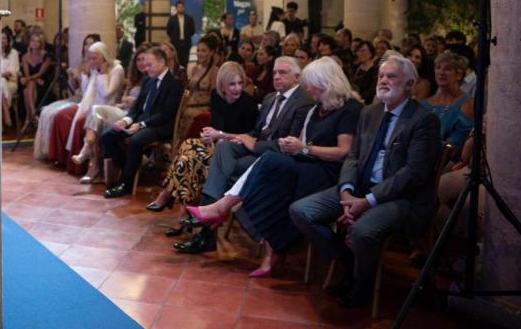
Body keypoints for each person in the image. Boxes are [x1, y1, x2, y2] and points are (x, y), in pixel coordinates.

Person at [289, 55, 441, 308]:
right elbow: (353, 156)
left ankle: (362, 284)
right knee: (301, 211)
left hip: (399, 199)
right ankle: (347, 261)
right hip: (358, 189)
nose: (383, 80)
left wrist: (367, 201)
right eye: (381, 76)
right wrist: (347, 191)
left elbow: (413, 174)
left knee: (362, 231)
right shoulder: (370, 113)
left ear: (409, 84)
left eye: (391, 76)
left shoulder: (424, 120)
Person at [186, 58, 361, 277]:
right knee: (262, 172)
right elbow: (298, 139)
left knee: (268, 164)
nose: (308, 89)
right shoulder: (318, 107)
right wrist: (293, 145)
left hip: (327, 172)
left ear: (328, 83)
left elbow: (343, 152)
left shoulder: (350, 108)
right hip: (304, 164)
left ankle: (221, 208)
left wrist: (303, 148)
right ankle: (268, 252)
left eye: (312, 85)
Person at [173, 56, 314, 254]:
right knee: (222, 148)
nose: (276, 76)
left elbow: (289, 143)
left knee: (219, 169)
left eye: (283, 73)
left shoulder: (303, 103)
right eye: (274, 72)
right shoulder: (269, 98)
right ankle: (209, 219)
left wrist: (254, 144)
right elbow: (255, 131)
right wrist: (242, 137)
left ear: (297, 78)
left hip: (271, 157)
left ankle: (205, 228)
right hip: (252, 147)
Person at [148, 62, 258, 227]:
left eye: (240, 83)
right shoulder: (216, 96)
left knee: (191, 159)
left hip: (235, 150)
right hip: (217, 143)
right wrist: (209, 134)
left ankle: (170, 195)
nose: (237, 88)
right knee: (188, 147)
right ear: (222, 85)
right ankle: (184, 209)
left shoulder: (248, 103)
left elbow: (250, 137)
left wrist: (220, 135)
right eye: (232, 84)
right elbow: (216, 125)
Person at [99, 47, 184, 199]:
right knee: (107, 136)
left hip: (159, 126)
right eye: (146, 64)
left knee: (136, 140)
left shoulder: (174, 84)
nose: (146, 68)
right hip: (141, 122)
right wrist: (125, 121)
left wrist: (141, 125)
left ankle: (126, 183)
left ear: (162, 62)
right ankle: (128, 169)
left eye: (150, 64)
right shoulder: (148, 81)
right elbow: (137, 108)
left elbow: (166, 115)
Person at [73, 43, 151, 183]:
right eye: (138, 60)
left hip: (134, 116)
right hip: (124, 110)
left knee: (96, 111)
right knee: (95, 110)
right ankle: (93, 162)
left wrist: (134, 102)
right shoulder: (135, 78)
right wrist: (124, 102)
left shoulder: (150, 79)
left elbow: (145, 104)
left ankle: (88, 152)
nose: (141, 63)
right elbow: (122, 100)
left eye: (144, 59)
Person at [51, 41, 124, 172]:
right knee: (60, 116)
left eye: (94, 58)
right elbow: (86, 93)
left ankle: (81, 163)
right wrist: (84, 75)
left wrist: (103, 73)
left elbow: (107, 94)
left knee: (79, 122)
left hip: (106, 107)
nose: (91, 61)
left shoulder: (116, 69)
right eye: (90, 58)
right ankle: (61, 159)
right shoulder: (95, 68)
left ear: (104, 57)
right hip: (89, 104)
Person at [33, 33, 99, 160]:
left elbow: (91, 89)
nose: (87, 46)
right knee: (46, 111)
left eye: (91, 44)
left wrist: (78, 76)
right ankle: (48, 151)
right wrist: (73, 78)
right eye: (86, 43)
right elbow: (77, 88)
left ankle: (60, 153)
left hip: (87, 100)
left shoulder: (95, 64)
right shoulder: (83, 62)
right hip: (78, 96)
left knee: (55, 114)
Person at [422, 52, 474, 162]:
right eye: (438, 68)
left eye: (447, 69)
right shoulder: (425, 104)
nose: (441, 72)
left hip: (446, 166)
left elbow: (455, 147)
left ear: (459, 75)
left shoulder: (467, 103)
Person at [20, 30, 55, 139]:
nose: (35, 43)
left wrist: (29, 79)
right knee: (28, 87)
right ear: (29, 42)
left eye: (38, 41)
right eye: (33, 41)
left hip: (44, 84)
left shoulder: (46, 55)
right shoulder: (25, 57)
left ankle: (28, 118)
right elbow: (27, 74)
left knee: (28, 88)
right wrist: (31, 79)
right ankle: (34, 114)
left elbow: (41, 73)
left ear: (41, 43)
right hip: (33, 83)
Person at [165, 0, 195, 68]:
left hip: (186, 42)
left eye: (182, 7)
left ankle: (184, 75)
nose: (180, 8)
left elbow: (192, 31)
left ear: (184, 8)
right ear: (176, 8)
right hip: (175, 43)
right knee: (176, 59)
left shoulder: (189, 18)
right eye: (179, 7)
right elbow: (168, 31)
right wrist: (174, 37)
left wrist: (186, 36)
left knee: (185, 60)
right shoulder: (172, 19)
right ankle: (177, 74)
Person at [0, 27, 20, 127]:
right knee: (0, 84)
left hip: (10, 83)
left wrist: (1, 75)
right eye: (0, 38)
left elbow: (12, 72)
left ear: (8, 40)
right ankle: (6, 114)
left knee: (2, 83)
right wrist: (2, 76)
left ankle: (2, 123)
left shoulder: (13, 53)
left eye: (4, 38)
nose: (2, 40)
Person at [351, 40, 378, 105]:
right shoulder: (356, 68)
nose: (360, 53)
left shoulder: (376, 70)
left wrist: (357, 97)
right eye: (358, 51)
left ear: (371, 52)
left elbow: (372, 91)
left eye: (363, 50)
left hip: (367, 103)